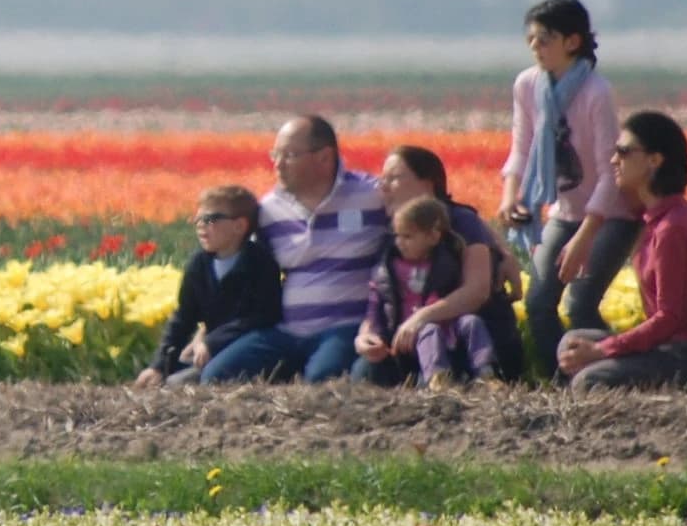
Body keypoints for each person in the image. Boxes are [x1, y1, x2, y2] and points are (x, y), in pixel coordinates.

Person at [497, 0, 641, 381]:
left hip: (611, 215)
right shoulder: (527, 86)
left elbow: (610, 172)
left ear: (572, 42)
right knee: (540, 302)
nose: (535, 47)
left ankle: (620, 374)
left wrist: (584, 239)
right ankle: (562, 385)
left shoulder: (596, 92)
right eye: (531, 39)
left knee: (580, 305)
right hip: (566, 211)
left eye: (544, 39)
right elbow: (521, 148)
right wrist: (511, 197)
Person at [199, 114, 387, 385]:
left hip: (344, 327)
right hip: (286, 330)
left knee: (322, 379)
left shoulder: (371, 197)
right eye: (274, 154)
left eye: (288, 155)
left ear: (324, 158)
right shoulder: (269, 211)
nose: (277, 163)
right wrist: (205, 331)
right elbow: (246, 278)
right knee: (218, 376)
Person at [556, 110, 687, 392]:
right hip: (666, 346)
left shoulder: (671, 226)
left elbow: (668, 317)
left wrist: (603, 350)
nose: (614, 160)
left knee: (589, 380)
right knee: (573, 342)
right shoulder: (651, 218)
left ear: (654, 160)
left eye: (624, 152)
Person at [377, 144, 525, 381]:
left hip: (472, 344)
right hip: (411, 347)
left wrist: (420, 317)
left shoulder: (461, 222)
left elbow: (476, 291)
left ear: (428, 183)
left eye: (394, 178)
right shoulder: (389, 227)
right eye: (382, 179)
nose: (383, 186)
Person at [134, 185, 283, 389]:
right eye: (197, 219)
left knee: (184, 383)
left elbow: (260, 317)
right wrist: (159, 366)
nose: (200, 225)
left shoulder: (259, 263)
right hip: (209, 348)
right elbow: (183, 318)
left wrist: (212, 341)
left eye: (210, 219)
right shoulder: (199, 264)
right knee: (163, 377)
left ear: (239, 226)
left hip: (251, 345)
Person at [354, 196, 498, 388]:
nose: (399, 242)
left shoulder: (448, 263)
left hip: (448, 334)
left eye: (408, 237)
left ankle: (486, 374)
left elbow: (457, 300)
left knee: (472, 322)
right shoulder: (388, 269)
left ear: (433, 236)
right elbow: (376, 307)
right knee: (429, 330)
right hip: (405, 341)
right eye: (397, 236)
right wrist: (370, 334)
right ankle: (437, 379)